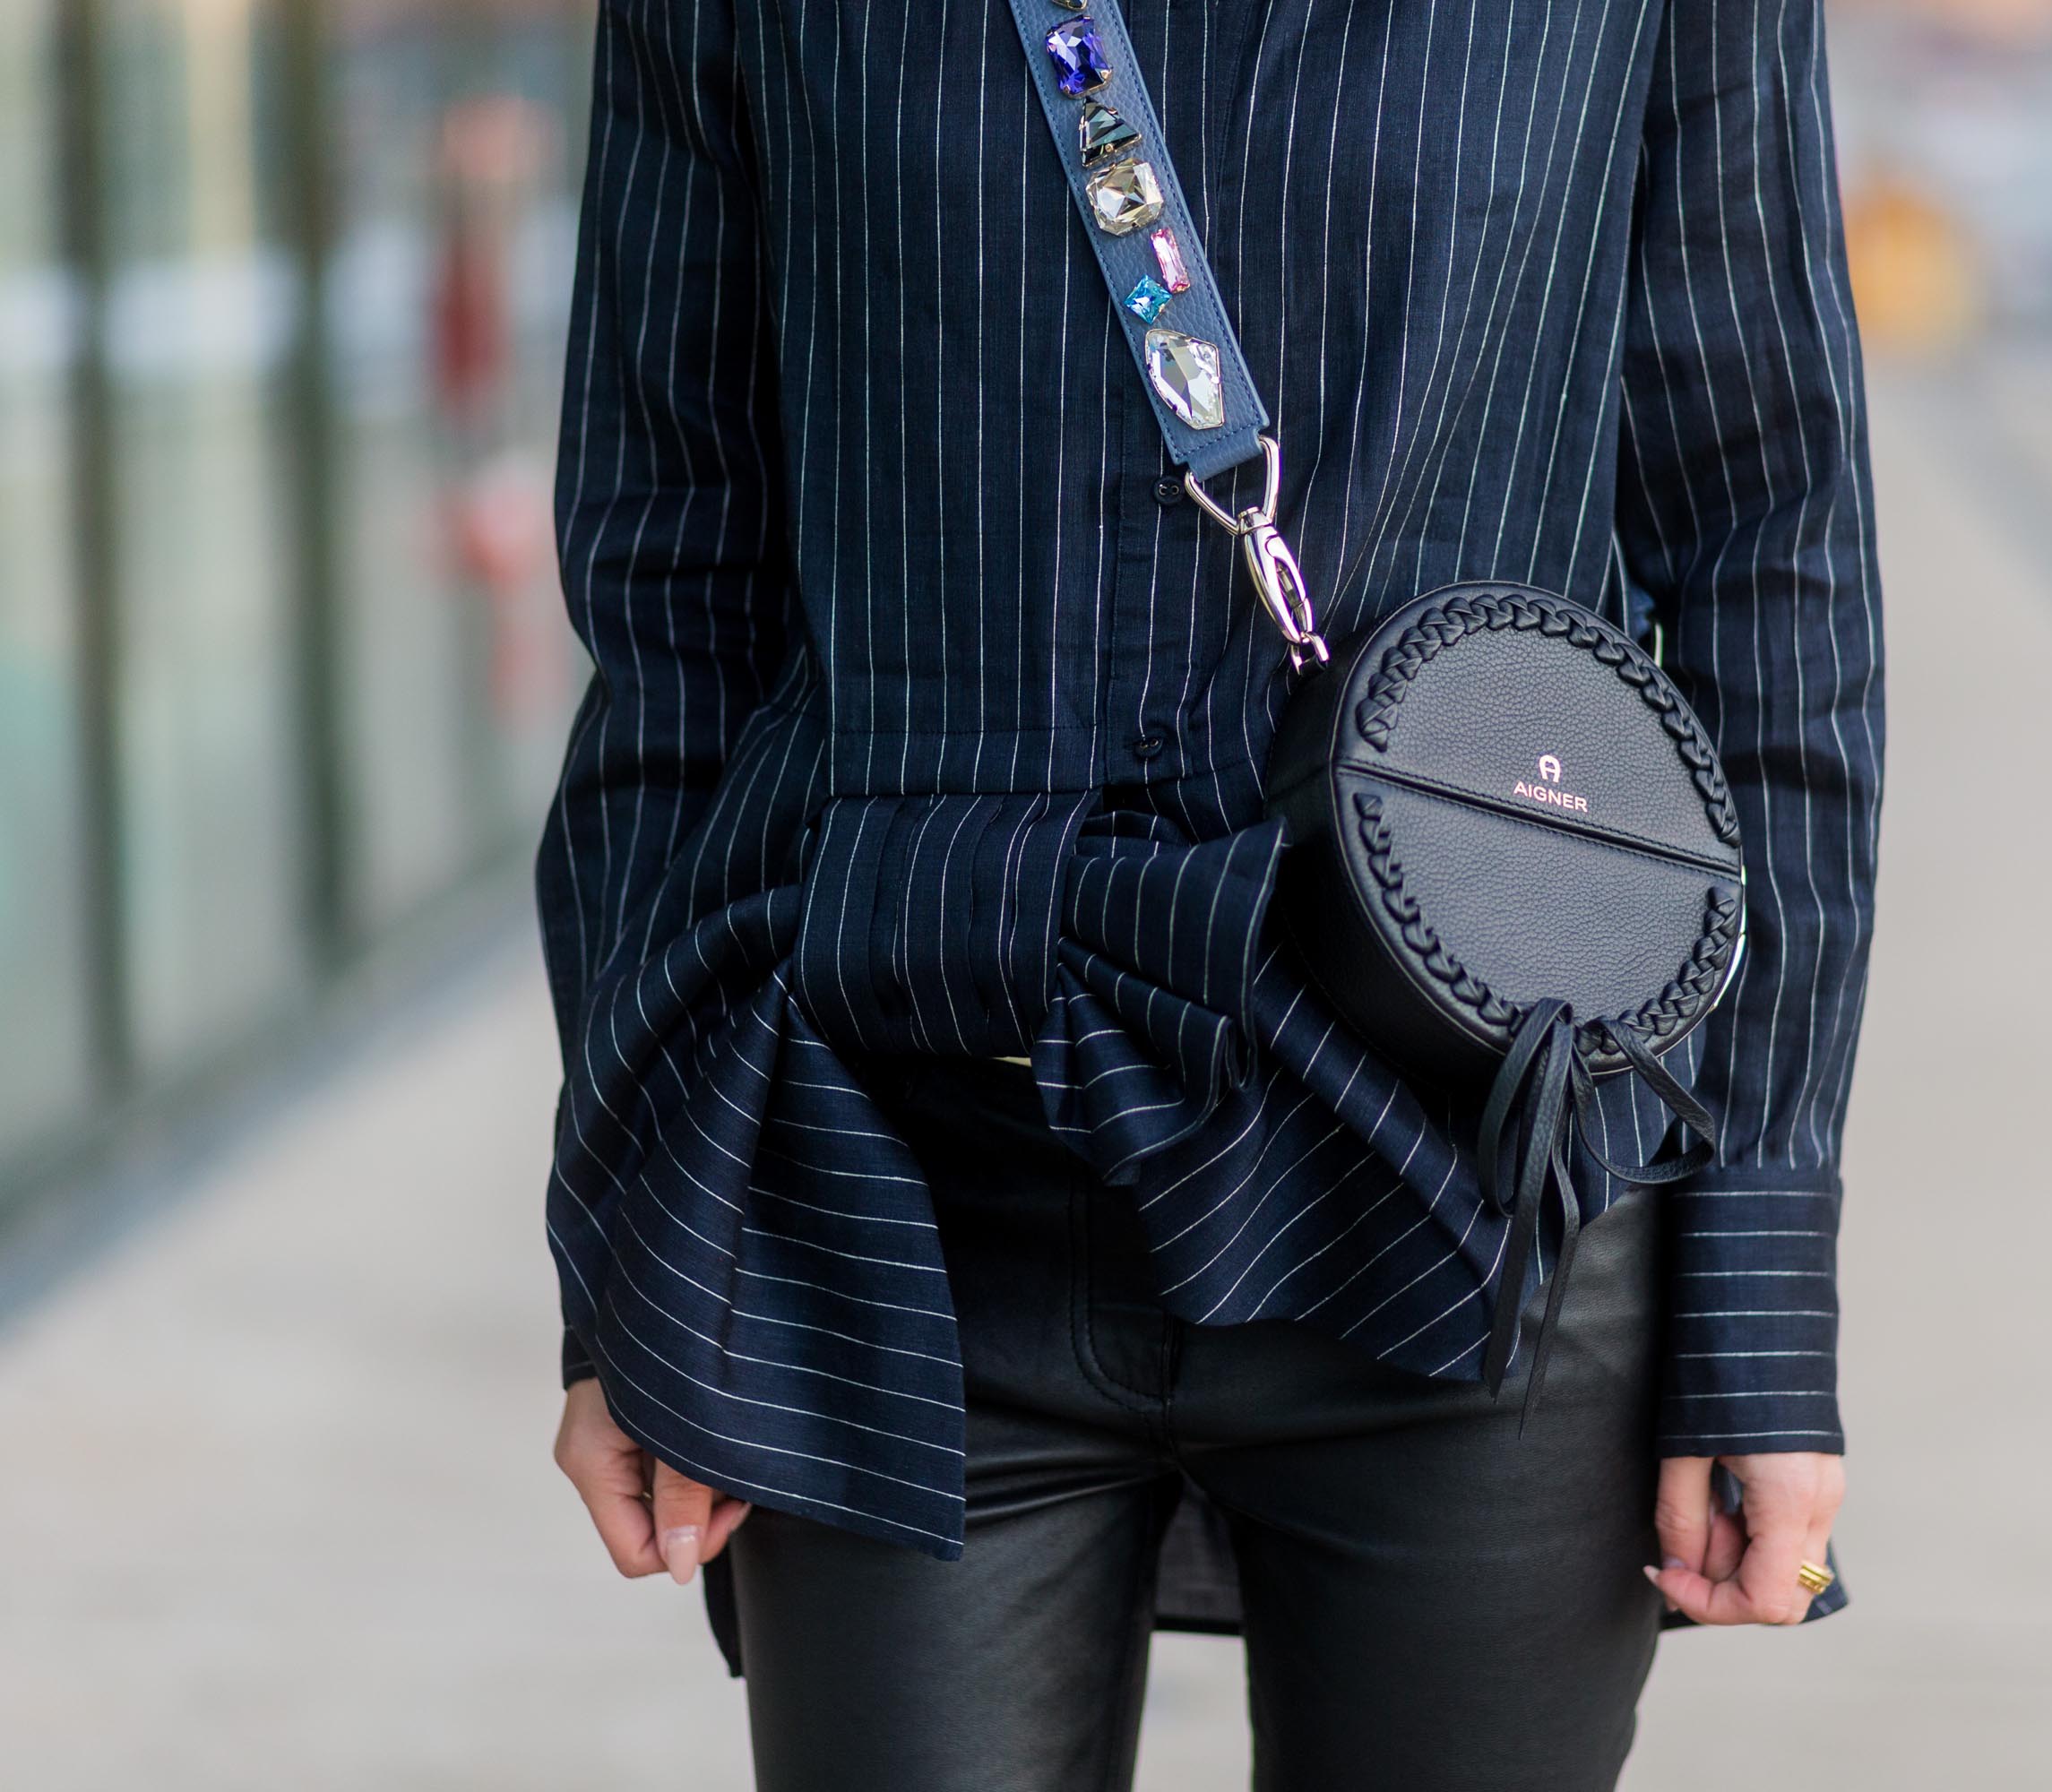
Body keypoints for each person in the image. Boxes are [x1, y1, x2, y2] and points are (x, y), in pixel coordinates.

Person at [539, 0, 1881, 1786]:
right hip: (893, 1183)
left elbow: (1768, 546)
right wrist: (633, 1241)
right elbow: (669, 583)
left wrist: (1758, 1286)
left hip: (1470, 1186)